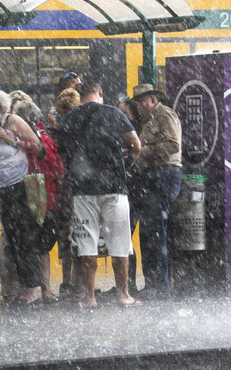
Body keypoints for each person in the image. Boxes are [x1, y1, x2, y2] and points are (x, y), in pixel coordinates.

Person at [57, 79, 141, 308]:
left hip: (83, 192)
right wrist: (127, 165)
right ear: (100, 93)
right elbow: (136, 145)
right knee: (120, 244)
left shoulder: (68, 119)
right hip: (114, 189)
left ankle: (89, 297)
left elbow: (63, 155)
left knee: (86, 245)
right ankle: (123, 295)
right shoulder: (113, 113)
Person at [0, 87, 43, 305]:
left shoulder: (12, 121)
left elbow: (38, 146)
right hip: (3, 189)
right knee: (14, 240)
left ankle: (32, 289)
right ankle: (24, 287)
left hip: (20, 187)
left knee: (25, 239)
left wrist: (11, 139)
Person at [131, 84, 183, 300]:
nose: (139, 105)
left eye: (141, 101)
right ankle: (154, 284)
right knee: (149, 231)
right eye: (137, 102)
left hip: (163, 174)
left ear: (152, 99)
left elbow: (172, 145)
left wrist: (142, 152)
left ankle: (159, 287)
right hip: (152, 177)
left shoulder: (163, 114)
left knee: (155, 231)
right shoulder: (149, 118)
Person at [12, 99, 64, 304]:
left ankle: (30, 290)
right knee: (42, 248)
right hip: (49, 201)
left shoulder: (19, 143)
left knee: (28, 246)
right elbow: (59, 171)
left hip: (28, 200)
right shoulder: (49, 142)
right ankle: (46, 290)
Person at [54, 88, 80, 296]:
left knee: (77, 234)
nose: (66, 115)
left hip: (74, 186)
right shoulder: (63, 128)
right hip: (67, 188)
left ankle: (77, 281)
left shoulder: (76, 126)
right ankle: (68, 281)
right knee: (68, 234)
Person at [117, 98, 142, 294]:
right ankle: (127, 284)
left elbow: (139, 151)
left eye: (125, 113)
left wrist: (129, 159)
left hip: (136, 187)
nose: (121, 116)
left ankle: (129, 284)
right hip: (125, 186)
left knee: (128, 236)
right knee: (124, 237)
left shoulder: (137, 129)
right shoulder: (118, 130)